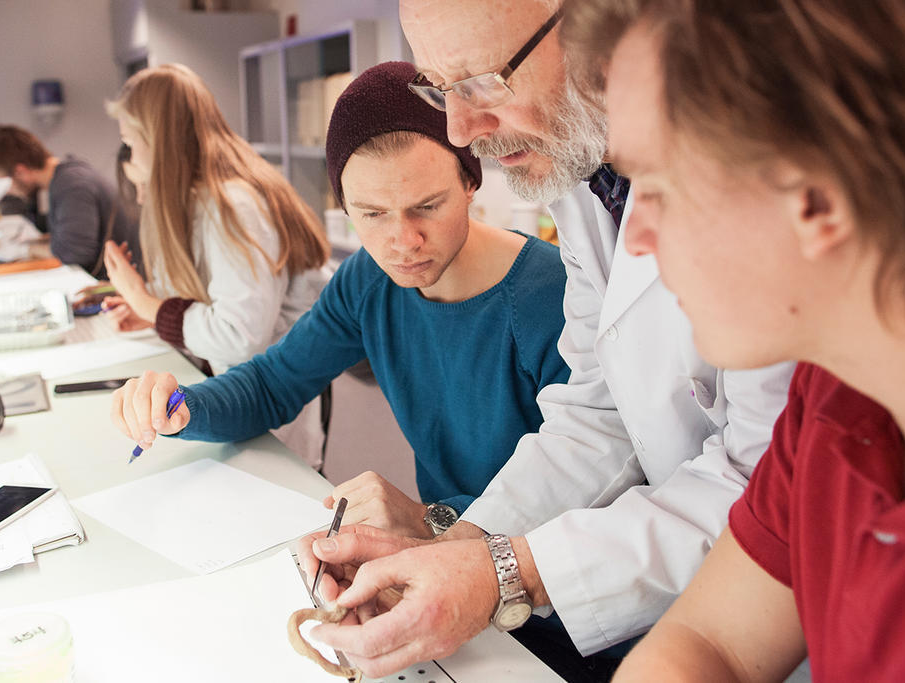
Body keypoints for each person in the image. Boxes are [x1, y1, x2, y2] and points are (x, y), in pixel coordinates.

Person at [560, 0, 905, 680]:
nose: (636, 239)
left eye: (661, 189)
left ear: (819, 199)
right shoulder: (846, 384)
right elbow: (712, 641)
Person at [298, 1, 795, 680]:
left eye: (480, 81)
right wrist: (459, 548)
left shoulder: (755, 176)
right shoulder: (581, 165)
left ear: (600, 28)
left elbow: (771, 483)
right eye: (440, 89)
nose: (460, 130)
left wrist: (506, 575)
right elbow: (597, 409)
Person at [109, 61, 571, 542]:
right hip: (448, 553)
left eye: (427, 206)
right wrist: (181, 406)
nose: (402, 241)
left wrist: (428, 519)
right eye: (371, 214)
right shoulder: (369, 280)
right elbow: (274, 383)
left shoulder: (549, 294)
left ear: (470, 183)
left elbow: (583, 487)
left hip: (549, 583)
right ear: (345, 207)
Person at [101, 63, 331, 376]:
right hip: (247, 383)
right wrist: (151, 313)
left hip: (269, 394)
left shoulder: (233, 205)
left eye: (130, 143)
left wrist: (145, 303)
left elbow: (239, 336)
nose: (132, 157)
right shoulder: (205, 199)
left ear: (157, 140)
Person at [0, 124, 138, 276]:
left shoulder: (72, 185)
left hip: (111, 286)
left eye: (5, 182)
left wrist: (23, 249)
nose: (7, 191)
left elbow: (74, 253)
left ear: (20, 171)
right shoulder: (67, 176)